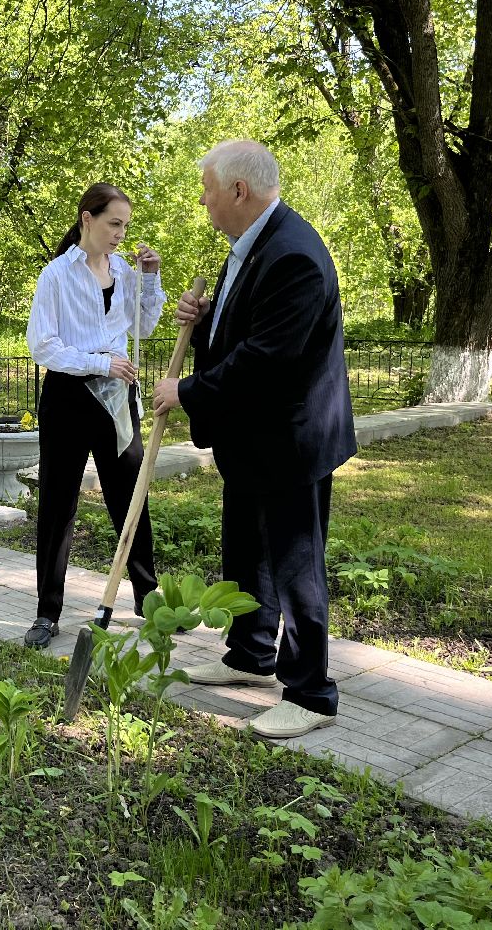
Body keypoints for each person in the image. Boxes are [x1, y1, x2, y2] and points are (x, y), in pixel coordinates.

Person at [153, 140, 357, 739]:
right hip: (253, 439)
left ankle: (312, 692)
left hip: (290, 440)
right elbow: (247, 324)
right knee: (246, 550)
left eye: (208, 189)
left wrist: (185, 393)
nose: (204, 201)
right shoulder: (254, 245)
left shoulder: (293, 254)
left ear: (238, 191)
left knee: (296, 565)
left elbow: (266, 359)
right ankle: (251, 654)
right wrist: (208, 313)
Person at [23, 183, 166, 649]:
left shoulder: (124, 272)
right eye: (113, 223)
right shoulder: (57, 276)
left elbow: (142, 327)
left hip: (117, 398)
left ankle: (148, 597)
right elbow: (42, 345)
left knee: (131, 494)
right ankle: (48, 612)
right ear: (88, 218)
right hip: (68, 397)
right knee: (59, 503)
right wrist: (101, 363)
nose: (121, 234)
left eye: (125, 225)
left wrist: (150, 279)